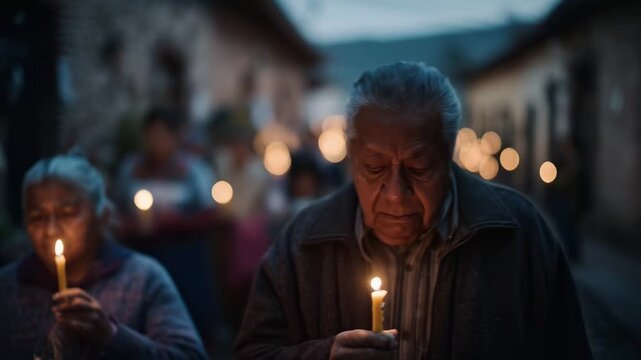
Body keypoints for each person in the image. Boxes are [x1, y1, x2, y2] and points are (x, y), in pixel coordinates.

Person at [234, 62, 592, 359]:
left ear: (448, 154)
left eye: (418, 169)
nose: (395, 194)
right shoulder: (302, 242)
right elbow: (251, 352)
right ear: (351, 157)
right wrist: (322, 355)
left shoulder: (518, 234)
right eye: (374, 168)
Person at [0, 153, 207, 359]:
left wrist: (112, 336)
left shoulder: (142, 278)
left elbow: (189, 355)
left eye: (67, 213)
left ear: (101, 216)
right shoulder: (9, 285)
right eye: (37, 217)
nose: (51, 230)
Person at [114, 107, 224, 351]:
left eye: (163, 137)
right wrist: (135, 225)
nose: (157, 144)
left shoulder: (193, 170)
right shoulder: (131, 168)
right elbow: (117, 209)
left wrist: (171, 222)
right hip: (143, 251)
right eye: (152, 136)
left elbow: (210, 213)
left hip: (185, 254)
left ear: (176, 137)